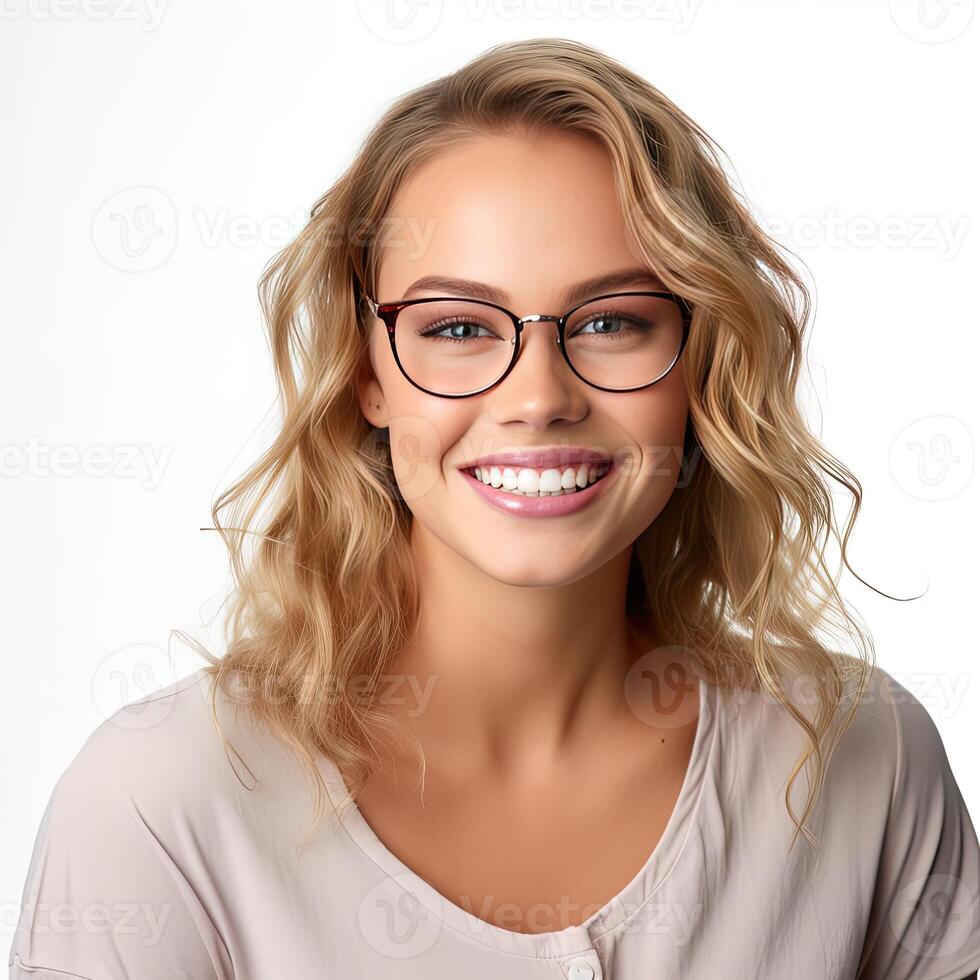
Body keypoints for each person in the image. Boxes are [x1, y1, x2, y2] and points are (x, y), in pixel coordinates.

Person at [9, 37, 980, 980]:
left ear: (700, 362)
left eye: (610, 321)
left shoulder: (865, 755)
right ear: (367, 373)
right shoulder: (161, 806)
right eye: (458, 327)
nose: (537, 396)